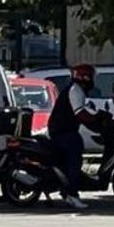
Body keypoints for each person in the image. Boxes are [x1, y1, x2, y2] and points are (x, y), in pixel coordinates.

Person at [48, 64, 102, 209]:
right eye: (91, 77)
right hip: (63, 132)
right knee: (75, 155)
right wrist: (97, 119)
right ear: (85, 77)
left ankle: (68, 190)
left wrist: (95, 118)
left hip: (62, 131)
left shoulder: (76, 90)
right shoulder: (75, 90)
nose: (92, 81)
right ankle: (72, 193)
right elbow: (80, 113)